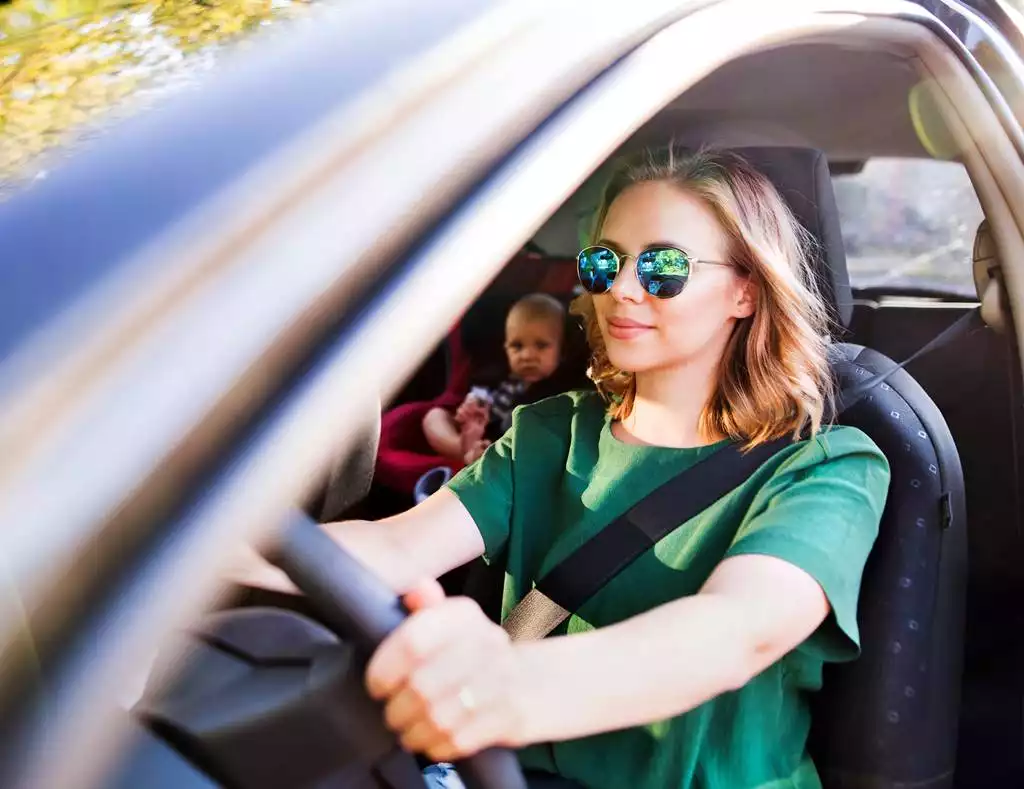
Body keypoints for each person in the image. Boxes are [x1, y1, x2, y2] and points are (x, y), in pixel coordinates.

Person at [236, 146, 890, 789]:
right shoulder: (551, 432)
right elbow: (395, 544)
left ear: (745, 291)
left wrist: (507, 687)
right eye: (604, 263)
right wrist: (191, 549)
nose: (622, 290)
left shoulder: (827, 467)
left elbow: (733, 632)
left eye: (664, 266)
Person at [421, 293, 566, 466]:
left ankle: (479, 457)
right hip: (476, 434)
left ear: (561, 351)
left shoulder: (557, 391)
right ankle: (463, 451)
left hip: (508, 448)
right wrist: (468, 412)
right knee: (434, 416)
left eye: (541, 345)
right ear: (506, 348)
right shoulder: (497, 376)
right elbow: (478, 397)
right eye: (517, 346)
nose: (527, 356)